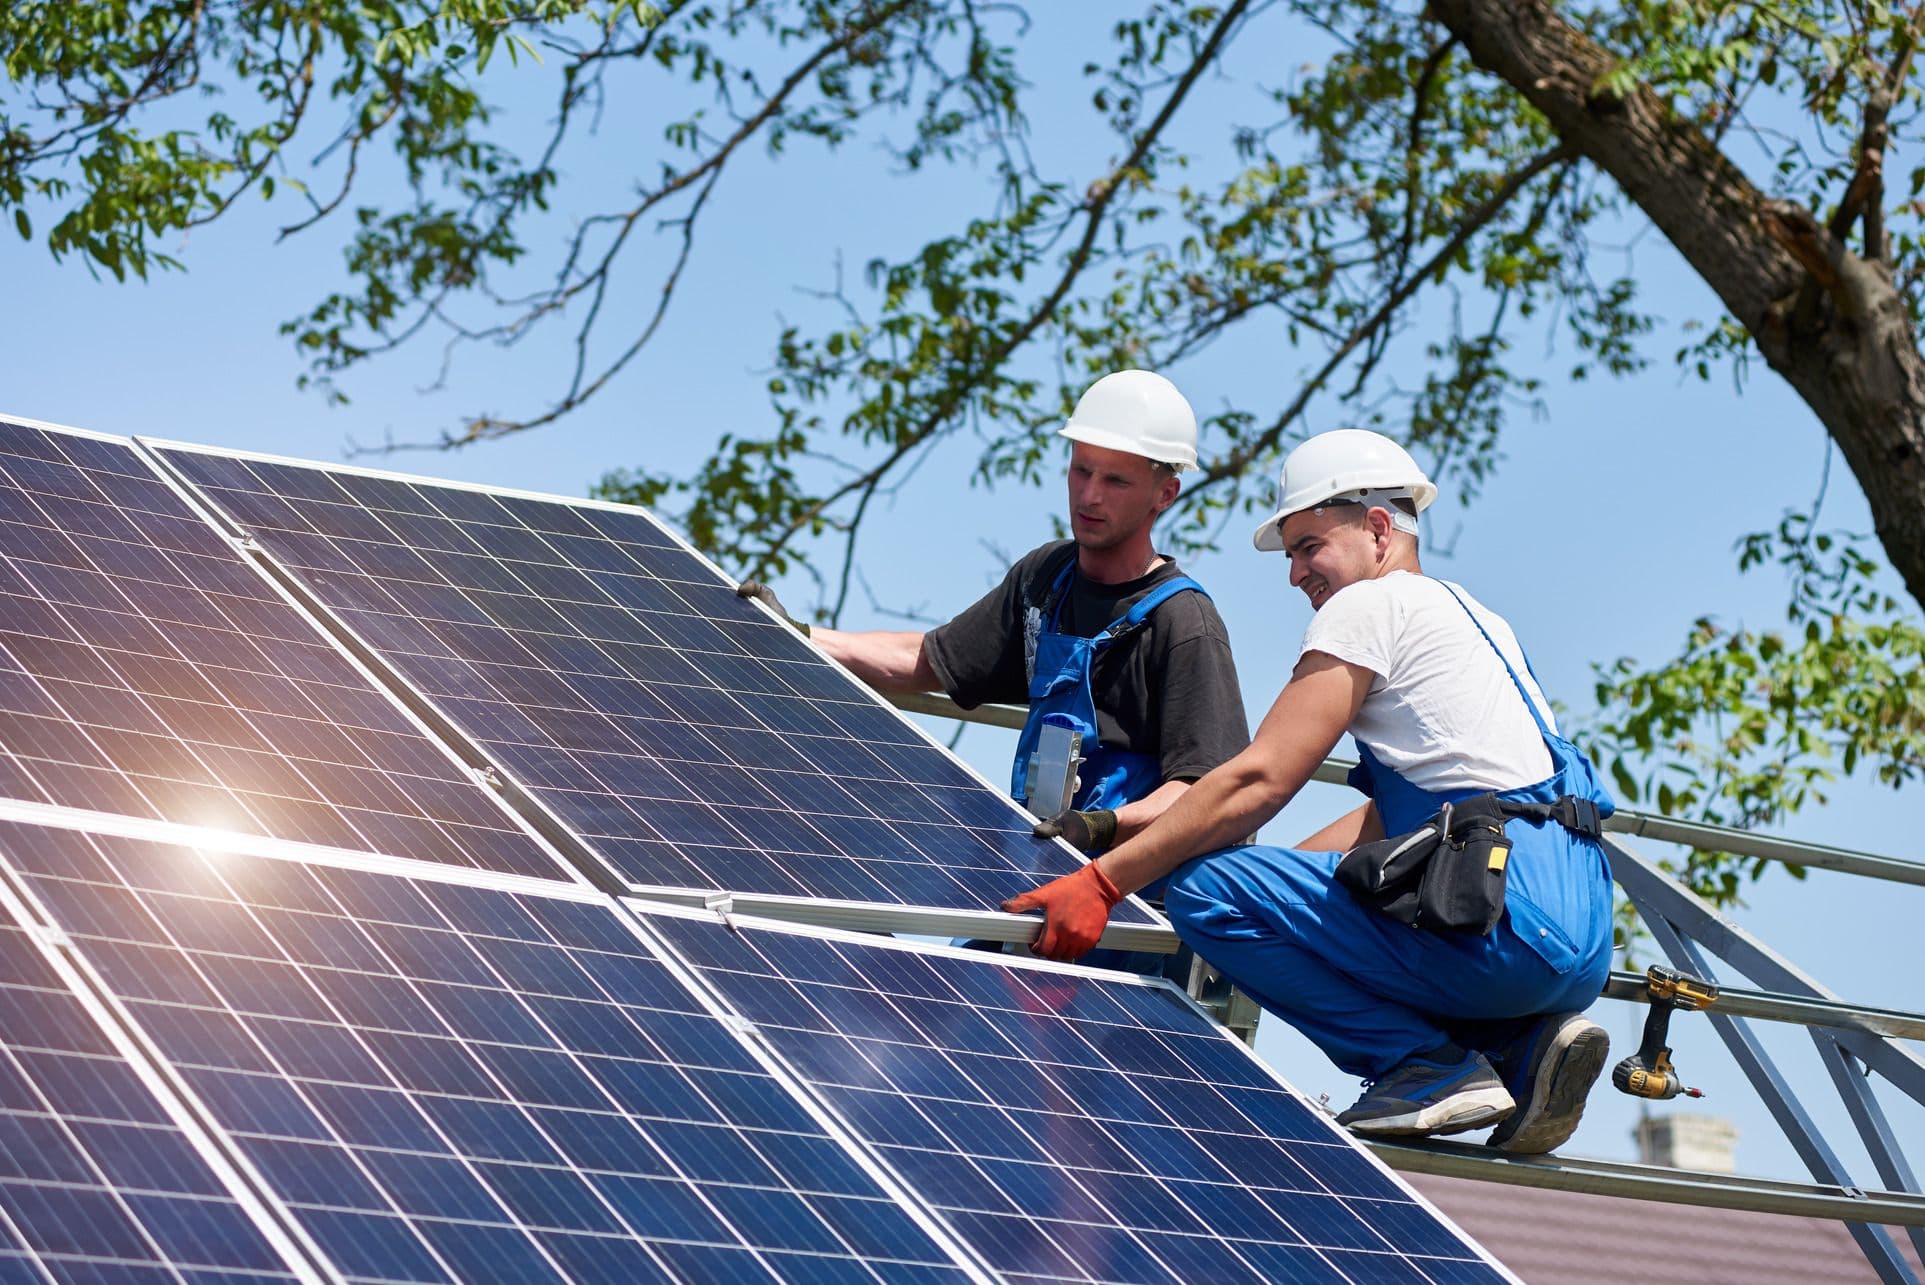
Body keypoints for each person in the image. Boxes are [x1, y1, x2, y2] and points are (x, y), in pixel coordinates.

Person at [1001, 428, 1615, 1154]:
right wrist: (1280, 900)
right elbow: (1395, 816)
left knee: (1207, 891)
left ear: (1378, 528)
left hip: (1503, 930)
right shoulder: (1480, 622)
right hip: (1578, 939)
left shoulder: (1367, 608)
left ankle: (1420, 1066)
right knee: (1259, 893)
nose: (1294, 574)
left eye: (1307, 546)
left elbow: (1261, 777)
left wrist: (1102, 883)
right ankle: (1516, 1046)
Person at [738, 370, 1249, 965]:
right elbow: (929, 660)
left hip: (1122, 915)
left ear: (1165, 494)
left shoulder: (1184, 624)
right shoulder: (1045, 579)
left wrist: (1100, 829)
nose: (1089, 496)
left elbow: (1205, 794)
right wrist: (801, 638)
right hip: (1032, 871)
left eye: (1115, 480)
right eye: (1081, 469)